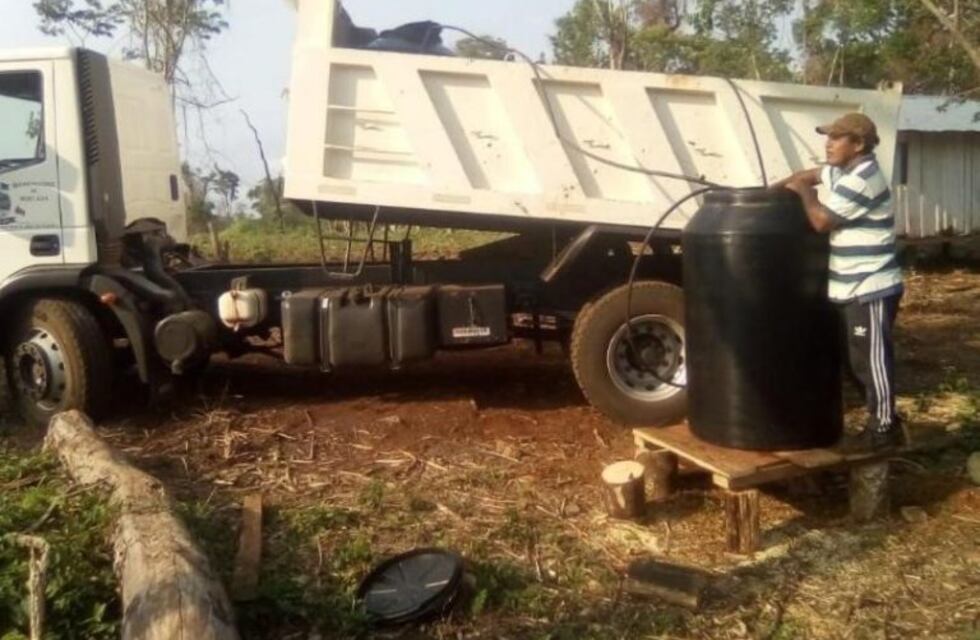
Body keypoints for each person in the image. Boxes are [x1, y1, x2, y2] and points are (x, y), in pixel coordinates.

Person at [774, 113, 905, 452]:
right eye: (827, 136)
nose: (828, 144)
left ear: (858, 144)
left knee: (871, 360)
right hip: (850, 285)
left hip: (870, 285)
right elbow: (808, 174)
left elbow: (821, 221)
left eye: (836, 138)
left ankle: (884, 429)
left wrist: (803, 192)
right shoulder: (841, 173)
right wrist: (770, 192)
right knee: (853, 359)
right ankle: (885, 421)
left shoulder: (864, 178)